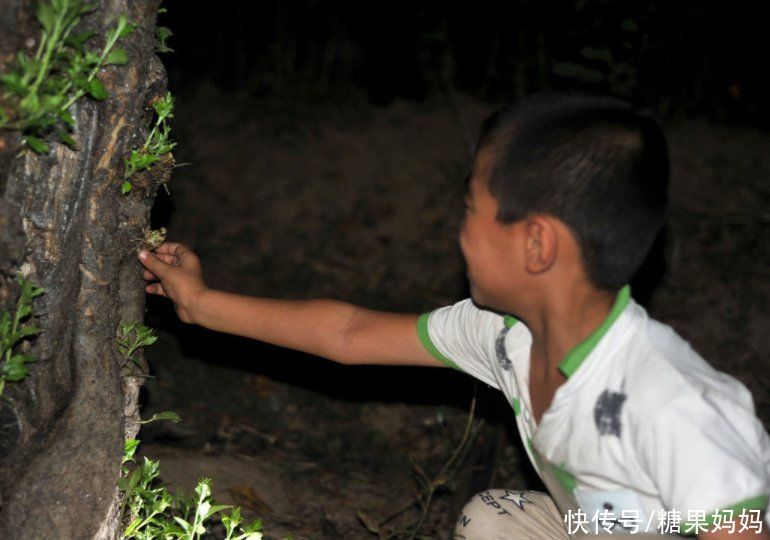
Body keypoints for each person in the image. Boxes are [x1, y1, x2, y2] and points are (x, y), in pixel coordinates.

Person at [137, 94, 770, 539]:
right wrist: (200, 303)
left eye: (470, 209)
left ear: (536, 245)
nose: (459, 232)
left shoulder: (667, 400)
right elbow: (350, 333)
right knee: (493, 521)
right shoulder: (506, 337)